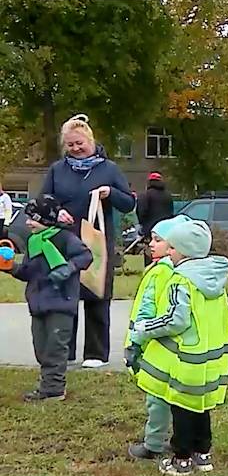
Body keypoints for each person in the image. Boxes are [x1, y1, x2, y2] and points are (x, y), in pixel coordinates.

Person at [125, 219, 228, 476]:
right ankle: (202, 455)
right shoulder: (213, 280)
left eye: (172, 248)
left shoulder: (180, 280)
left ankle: (181, 459)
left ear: (184, 251)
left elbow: (176, 319)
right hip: (209, 359)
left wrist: (144, 328)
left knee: (181, 407)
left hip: (185, 358)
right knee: (201, 406)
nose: (168, 252)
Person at [40, 114, 135, 368]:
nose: (75, 148)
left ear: (90, 141)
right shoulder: (56, 170)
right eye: (70, 145)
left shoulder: (109, 169)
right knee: (64, 294)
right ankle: (64, 351)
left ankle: (95, 353)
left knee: (96, 295)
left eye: (79, 143)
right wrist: (55, 210)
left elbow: (128, 203)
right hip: (63, 240)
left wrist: (110, 193)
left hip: (97, 241)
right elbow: (42, 200)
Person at [2, 196, 93, 402]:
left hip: (61, 302)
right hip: (38, 303)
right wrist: (10, 268)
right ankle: (47, 385)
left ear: (46, 219)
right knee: (42, 348)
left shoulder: (65, 238)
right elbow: (28, 272)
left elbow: (85, 256)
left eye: (32, 218)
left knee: (56, 347)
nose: (27, 222)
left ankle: (54, 389)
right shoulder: (34, 242)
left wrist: (68, 269)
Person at [124, 216, 183, 460]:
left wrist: (136, 341)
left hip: (151, 342)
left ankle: (153, 444)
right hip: (165, 341)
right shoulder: (176, 270)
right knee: (174, 397)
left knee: (156, 397)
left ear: (174, 246)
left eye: (159, 240)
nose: (151, 243)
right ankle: (178, 440)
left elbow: (147, 308)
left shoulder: (161, 272)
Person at [136, 171, 175, 265]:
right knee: (164, 251)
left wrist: (143, 225)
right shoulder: (168, 196)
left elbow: (141, 211)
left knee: (151, 251)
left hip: (150, 229)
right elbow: (171, 212)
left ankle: (150, 268)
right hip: (166, 230)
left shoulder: (145, 195)